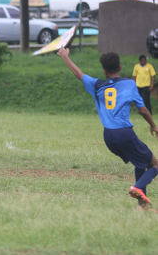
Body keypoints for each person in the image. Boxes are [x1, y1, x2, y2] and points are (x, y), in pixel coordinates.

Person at [57, 47, 158, 210]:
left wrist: (64, 56)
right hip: (124, 133)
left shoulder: (97, 85)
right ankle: (138, 188)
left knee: (139, 162)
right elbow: (142, 109)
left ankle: (142, 204)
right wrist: (153, 125)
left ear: (104, 71)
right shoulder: (129, 84)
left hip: (109, 137)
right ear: (120, 68)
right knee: (154, 165)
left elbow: (79, 74)